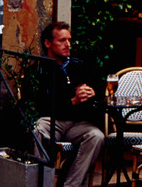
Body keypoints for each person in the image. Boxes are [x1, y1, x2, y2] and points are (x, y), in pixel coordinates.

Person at [31, 22, 104, 187]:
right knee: (37, 129)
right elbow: (41, 105)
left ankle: (71, 185)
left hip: (76, 124)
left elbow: (96, 90)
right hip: (52, 121)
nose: (68, 45)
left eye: (69, 40)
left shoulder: (78, 65)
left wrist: (92, 94)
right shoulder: (40, 68)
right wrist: (72, 101)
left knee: (96, 136)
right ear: (48, 43)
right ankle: (42, 183)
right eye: (62, 40)